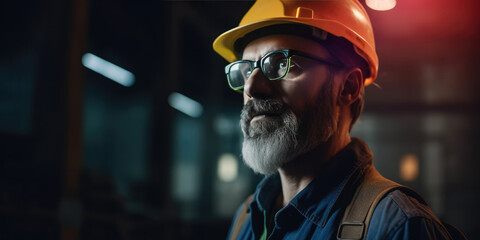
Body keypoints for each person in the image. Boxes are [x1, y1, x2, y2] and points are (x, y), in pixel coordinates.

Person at [213, 0, 465, 239]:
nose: (252, 87)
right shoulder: (246, 219)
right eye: (246, 70)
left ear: (348, 87)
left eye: (281, 64)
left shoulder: (398, 227)